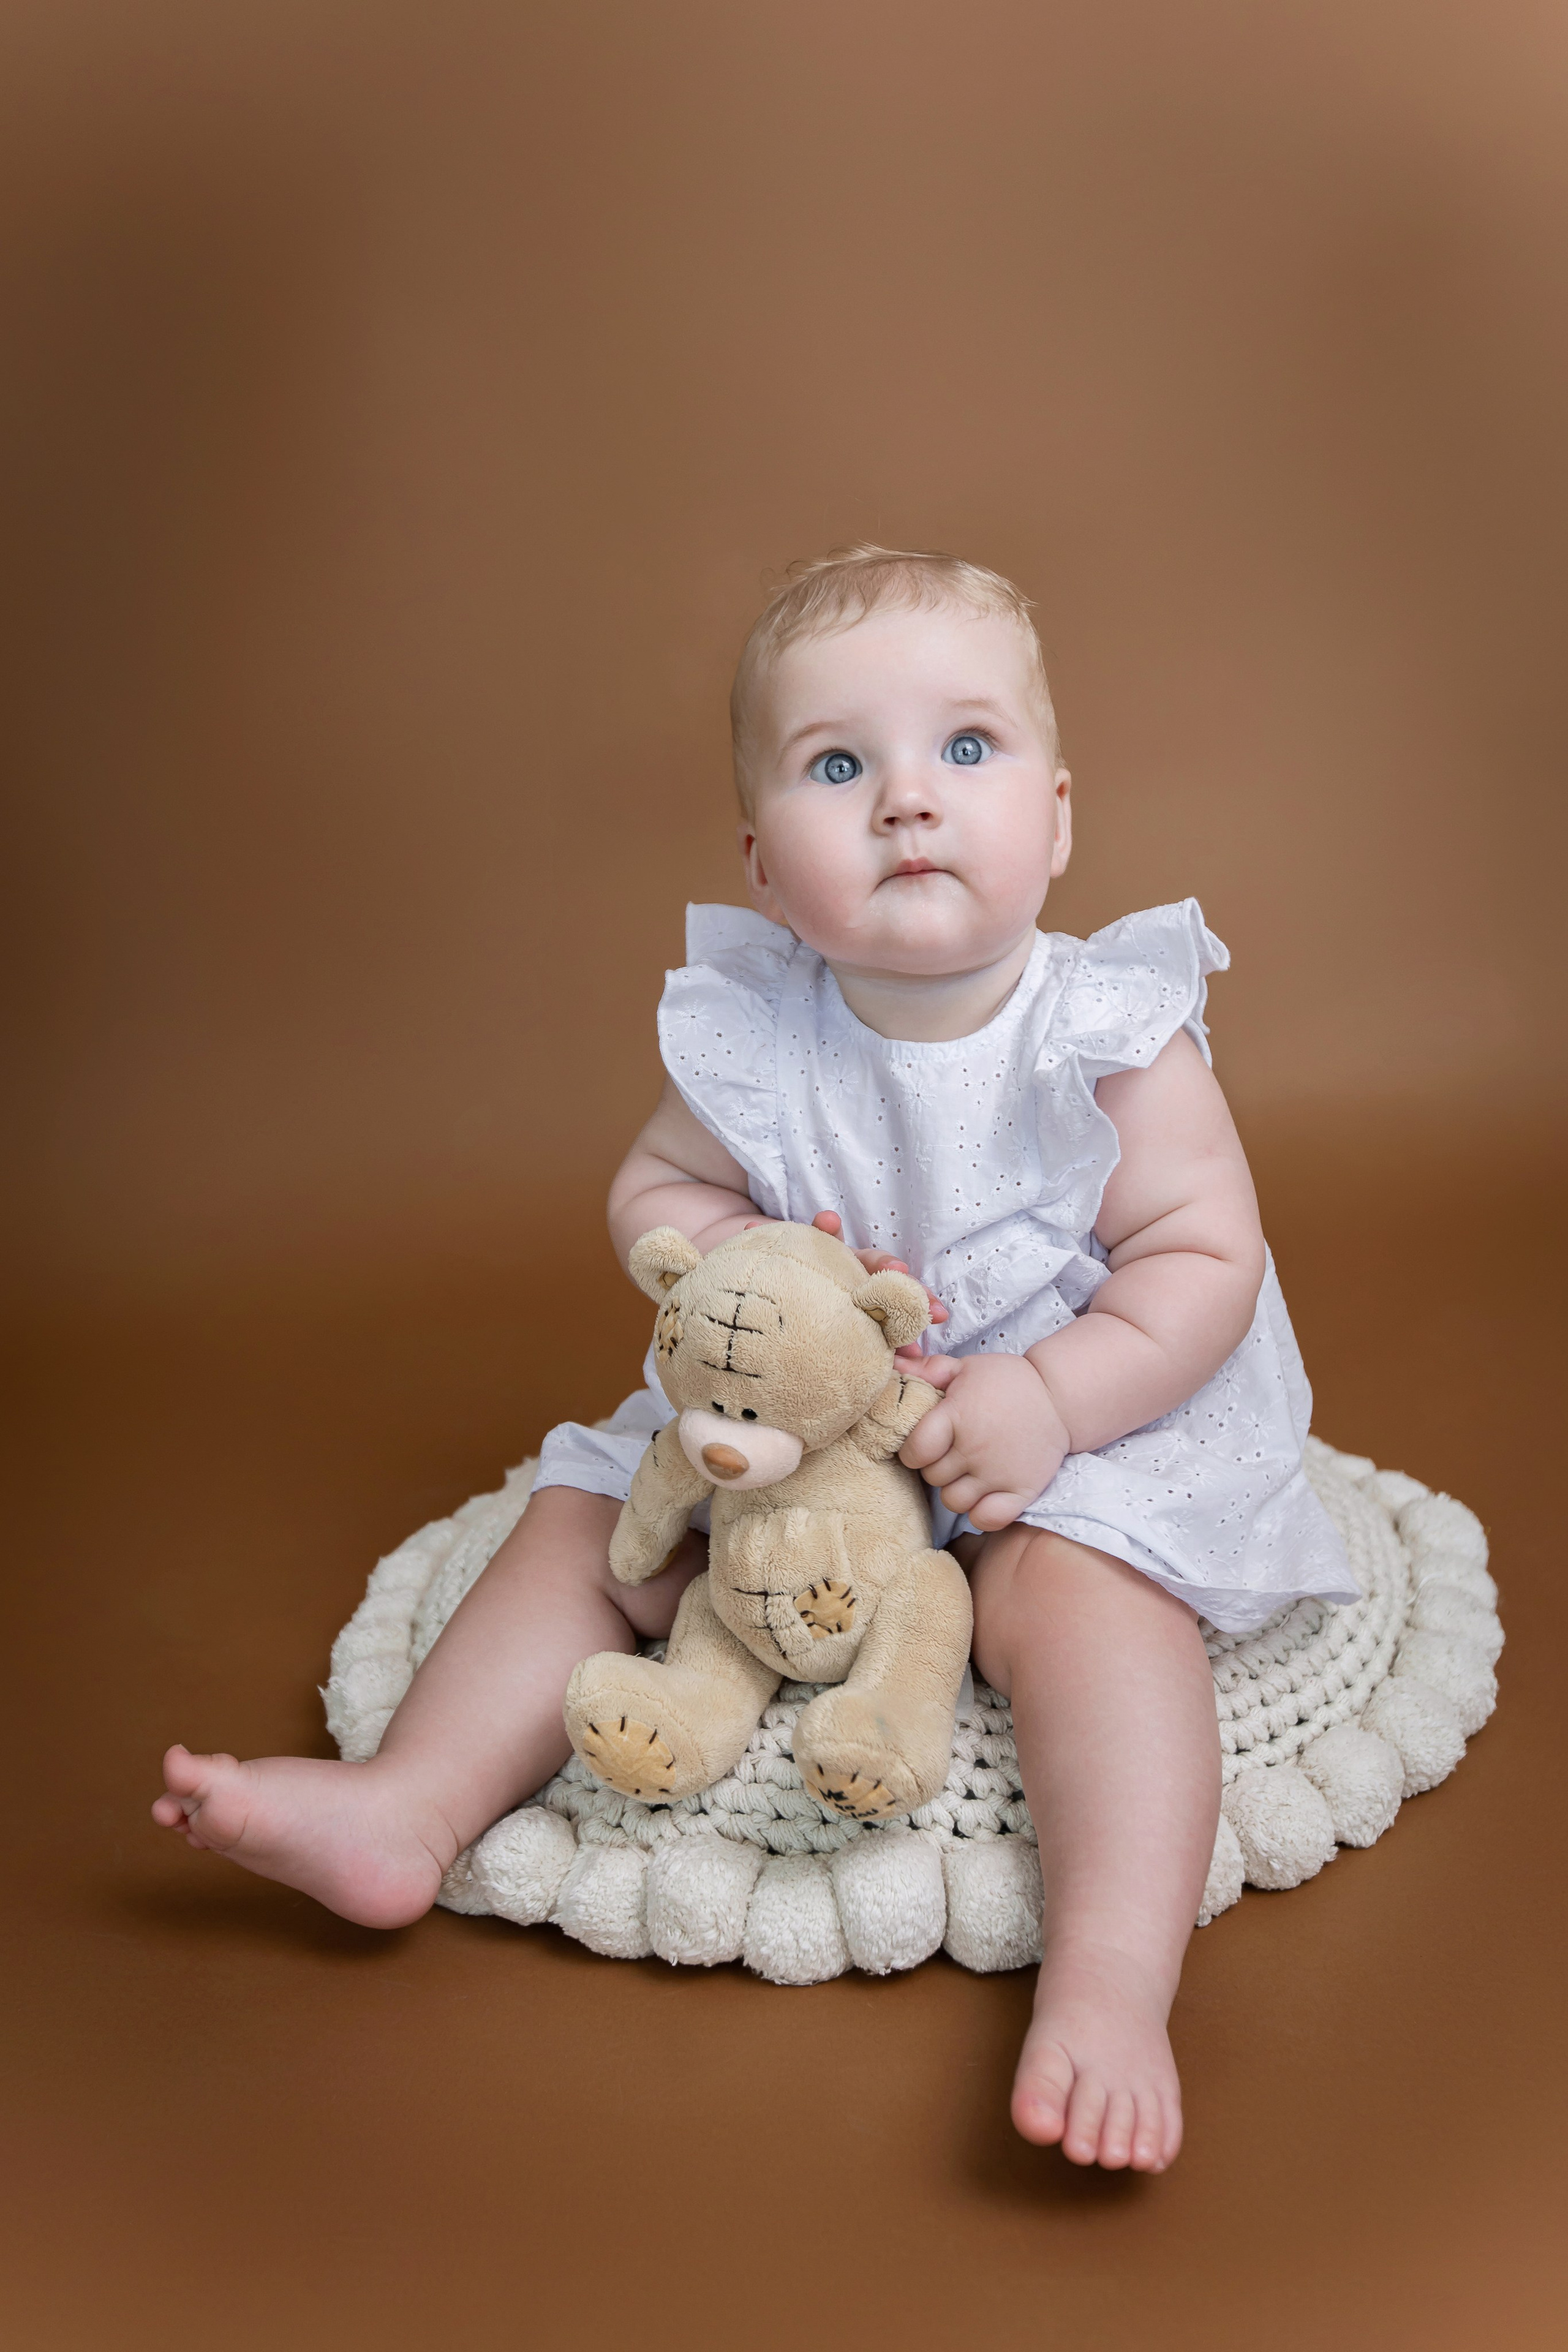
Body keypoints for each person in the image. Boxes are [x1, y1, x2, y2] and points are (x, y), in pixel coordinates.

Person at [154, 546, 1355, 2172]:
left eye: (968, 750)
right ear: (764, 860)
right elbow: (660, 1189)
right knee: (595, 1522)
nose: (908, 803)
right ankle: (411, 1806)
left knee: (1080, 1603)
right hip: (819, 1438)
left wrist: (1056, 1396)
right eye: (839, 765)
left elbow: (1205, 1262)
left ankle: (1112, 1982)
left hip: (1083, 1412)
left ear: (1059, 821)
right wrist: (751, 1276)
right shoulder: (760, 1028)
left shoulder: (1101, 1034)